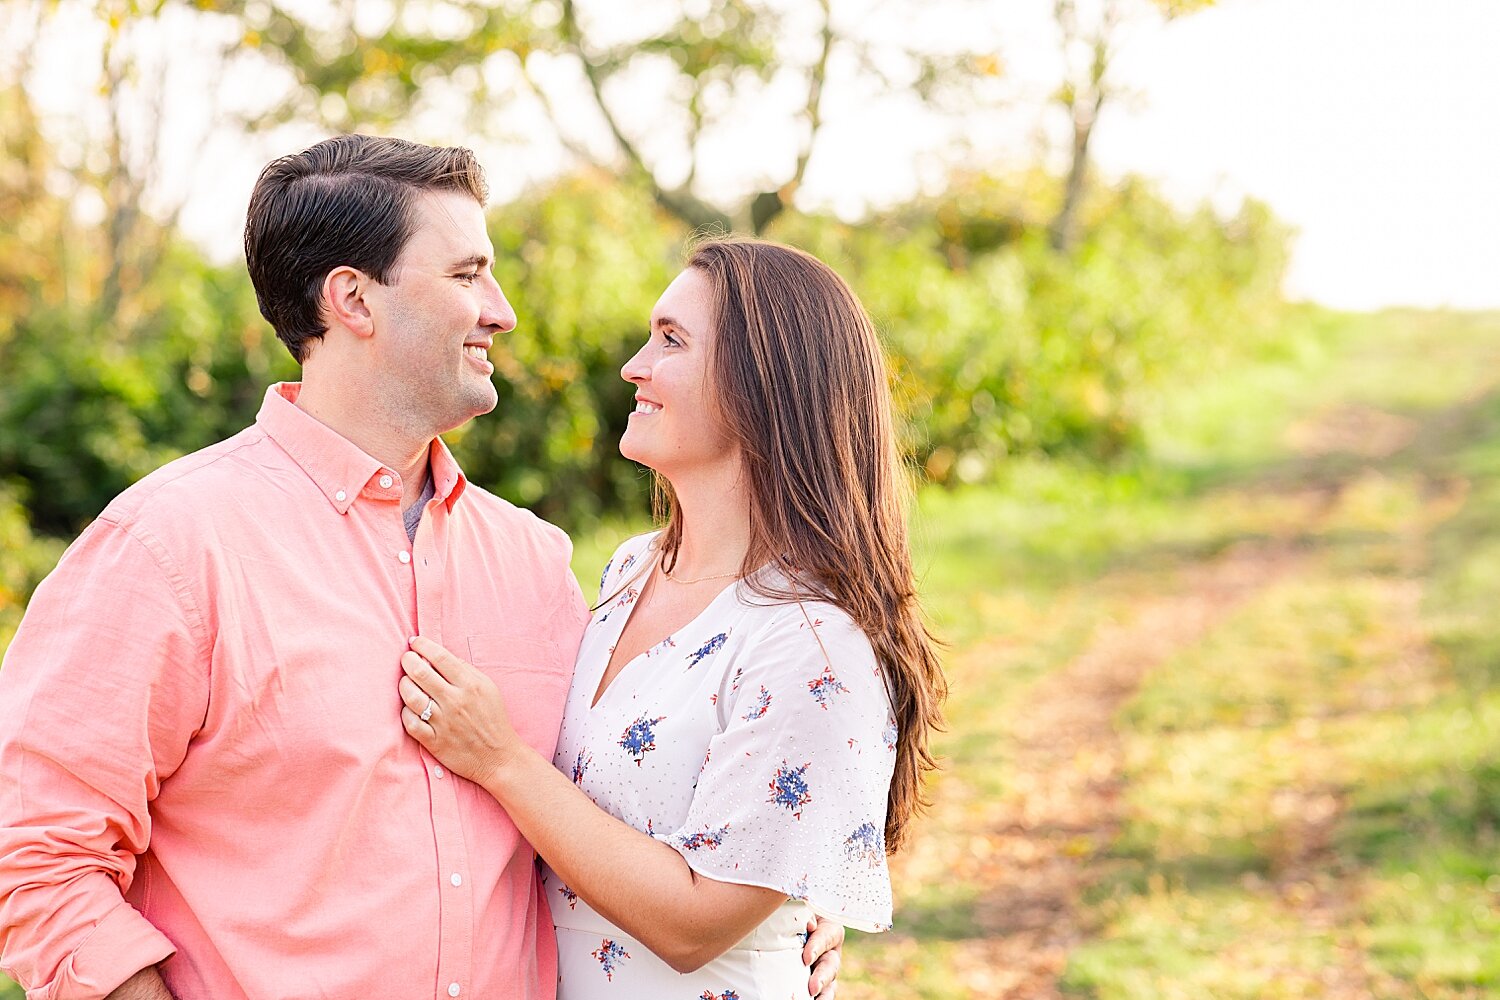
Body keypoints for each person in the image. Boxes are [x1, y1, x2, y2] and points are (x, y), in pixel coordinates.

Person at [0, 136, 844, 1000]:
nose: (503, 310)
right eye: (467, 274)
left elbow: (621, 791)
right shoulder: (165, 548)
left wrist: (773, 899)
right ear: (353, 299)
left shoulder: (535, 561)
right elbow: (36, 854)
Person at [396, 237, 948, 998]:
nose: (633, 365)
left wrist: (500, 761)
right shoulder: (630, 569)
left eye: (672, 340)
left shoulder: (813, 640)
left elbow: (696, 924)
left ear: (764, 386)